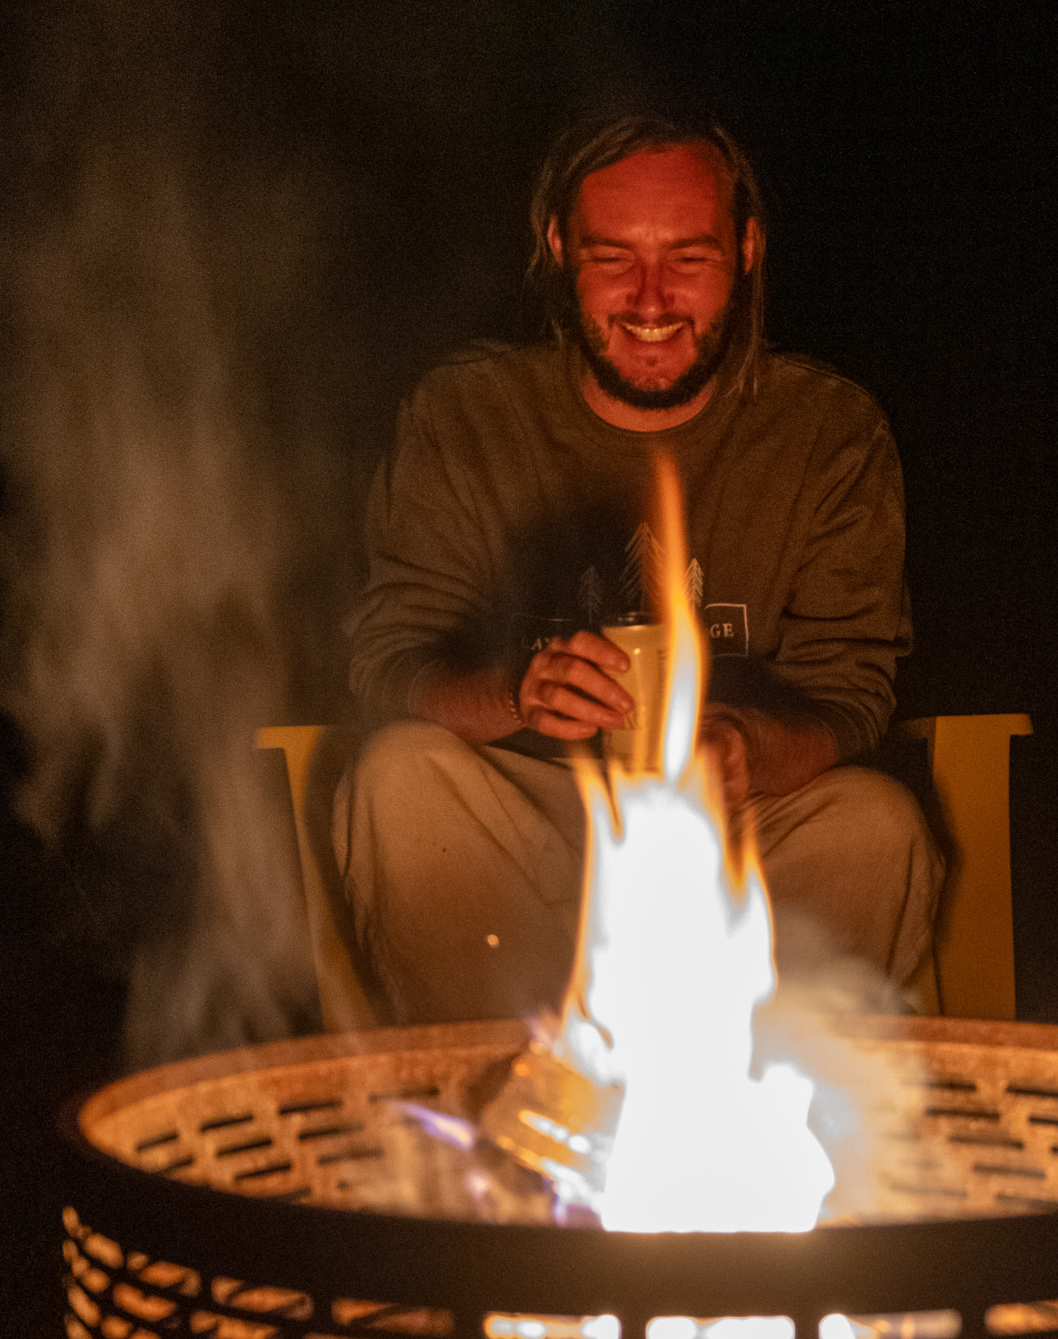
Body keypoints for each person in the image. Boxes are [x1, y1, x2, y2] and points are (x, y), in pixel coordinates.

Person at [333, 112, 943, 1027]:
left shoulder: (825, 432)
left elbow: (850, 693)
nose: (650, 301)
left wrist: (742, 747)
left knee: (875, 824)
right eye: (613, 257)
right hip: (526, 819)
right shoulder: (468, 415)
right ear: (558, 246)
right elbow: (388, 660)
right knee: (394, 777)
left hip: (741, 828)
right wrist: (516, 695)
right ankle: (502, 1124)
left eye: (689, 258)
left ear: (745, 249)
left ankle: (759, 1133)